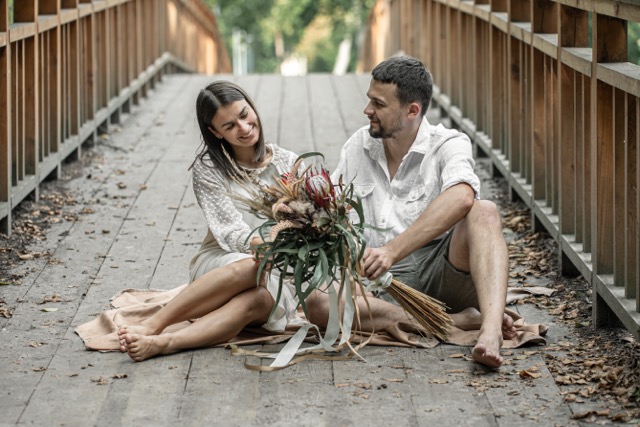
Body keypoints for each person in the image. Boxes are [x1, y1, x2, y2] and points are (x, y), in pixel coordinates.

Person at [116, 80, 450, 361]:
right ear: (214, 132)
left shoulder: (289, 162)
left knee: (262, 299)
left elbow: (319, 214)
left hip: (280, 271)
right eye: (230, 126)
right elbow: (231, 232)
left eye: (245, 116)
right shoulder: (208, 169)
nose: (244, 129)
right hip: (223, 263)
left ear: (252, 108)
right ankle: (154, 326)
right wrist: (268, 246)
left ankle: (165, 344)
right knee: (252, 265)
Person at [331, 56, 516, 368]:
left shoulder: (449, 143)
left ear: (412, 110)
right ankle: (453, 321)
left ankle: (489, 332)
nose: (367, 111)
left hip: (443, 271)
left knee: (484, 211)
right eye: (369, 101)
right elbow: (333, 205)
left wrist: (391, 251)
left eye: (378, 104)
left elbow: (461, 197)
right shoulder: (358, 146)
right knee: (317, 302)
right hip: (379, 286)